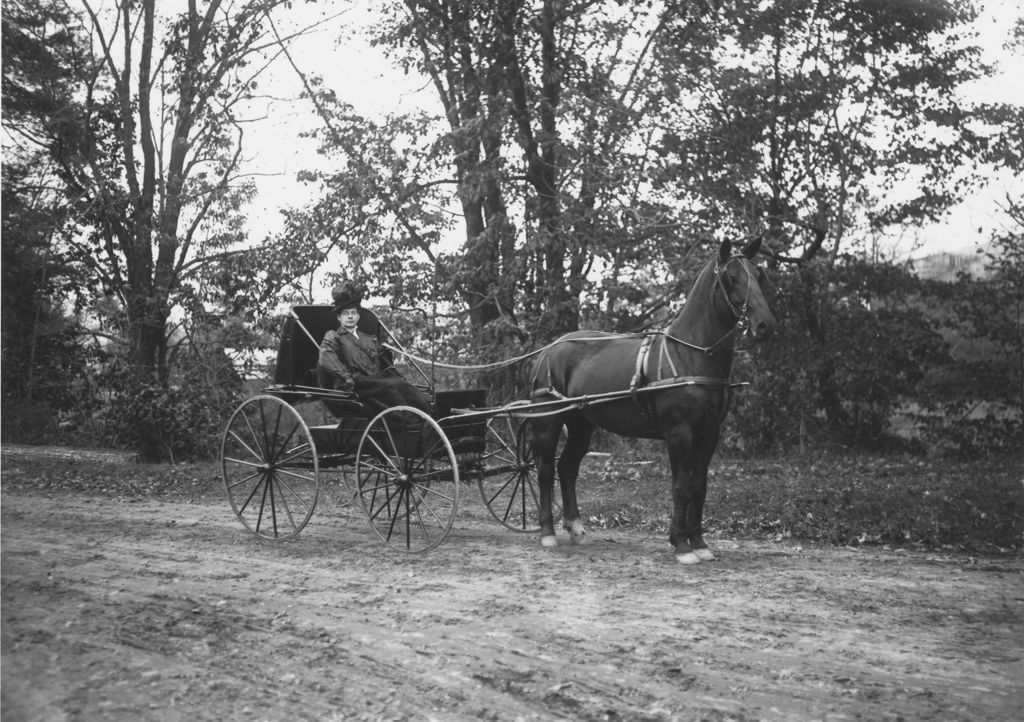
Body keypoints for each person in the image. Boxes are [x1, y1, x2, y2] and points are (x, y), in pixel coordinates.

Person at [316, 281, 432, 419]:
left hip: (374, 381)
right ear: (339, 317)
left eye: (353, 312)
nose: (350, 316)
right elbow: (326, 358)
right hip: (355, 383)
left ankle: (425, 415)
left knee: (402, 385)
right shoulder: (333, 337)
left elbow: (385, 363)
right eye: (346, 313)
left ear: (358, 316)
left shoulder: (370, 339)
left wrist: (390, 365)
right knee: (392, 388)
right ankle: (408, 420)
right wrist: (345, 377)